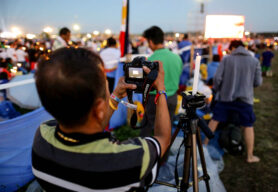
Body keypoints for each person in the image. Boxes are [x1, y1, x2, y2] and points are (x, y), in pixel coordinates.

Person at [32, 47, 171, 191]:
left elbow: (95, 123)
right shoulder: (130, 157)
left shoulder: (42, 135)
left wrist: (115, 97)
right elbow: (163, 138)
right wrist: (160, 89)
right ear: (99, 108)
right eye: (106, 84)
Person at [204, 40, 262, 163]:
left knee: (214, 121)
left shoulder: (226, 59)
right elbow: (258, 82)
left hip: (225, 98)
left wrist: (218, 90)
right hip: (245, 99)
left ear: (233, 48)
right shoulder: (254, 61)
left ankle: (204, 147)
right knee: (248, 125)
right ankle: (250, 156)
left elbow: (217, 79)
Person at [140, 26, 182, 137]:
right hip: (172, 98)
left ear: (150, 41)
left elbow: (146, 83)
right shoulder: (176, 57)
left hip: (154, 99)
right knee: (166, 130)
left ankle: (146, 153)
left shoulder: (150, 60)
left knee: (147, 128)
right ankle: (164, 154)